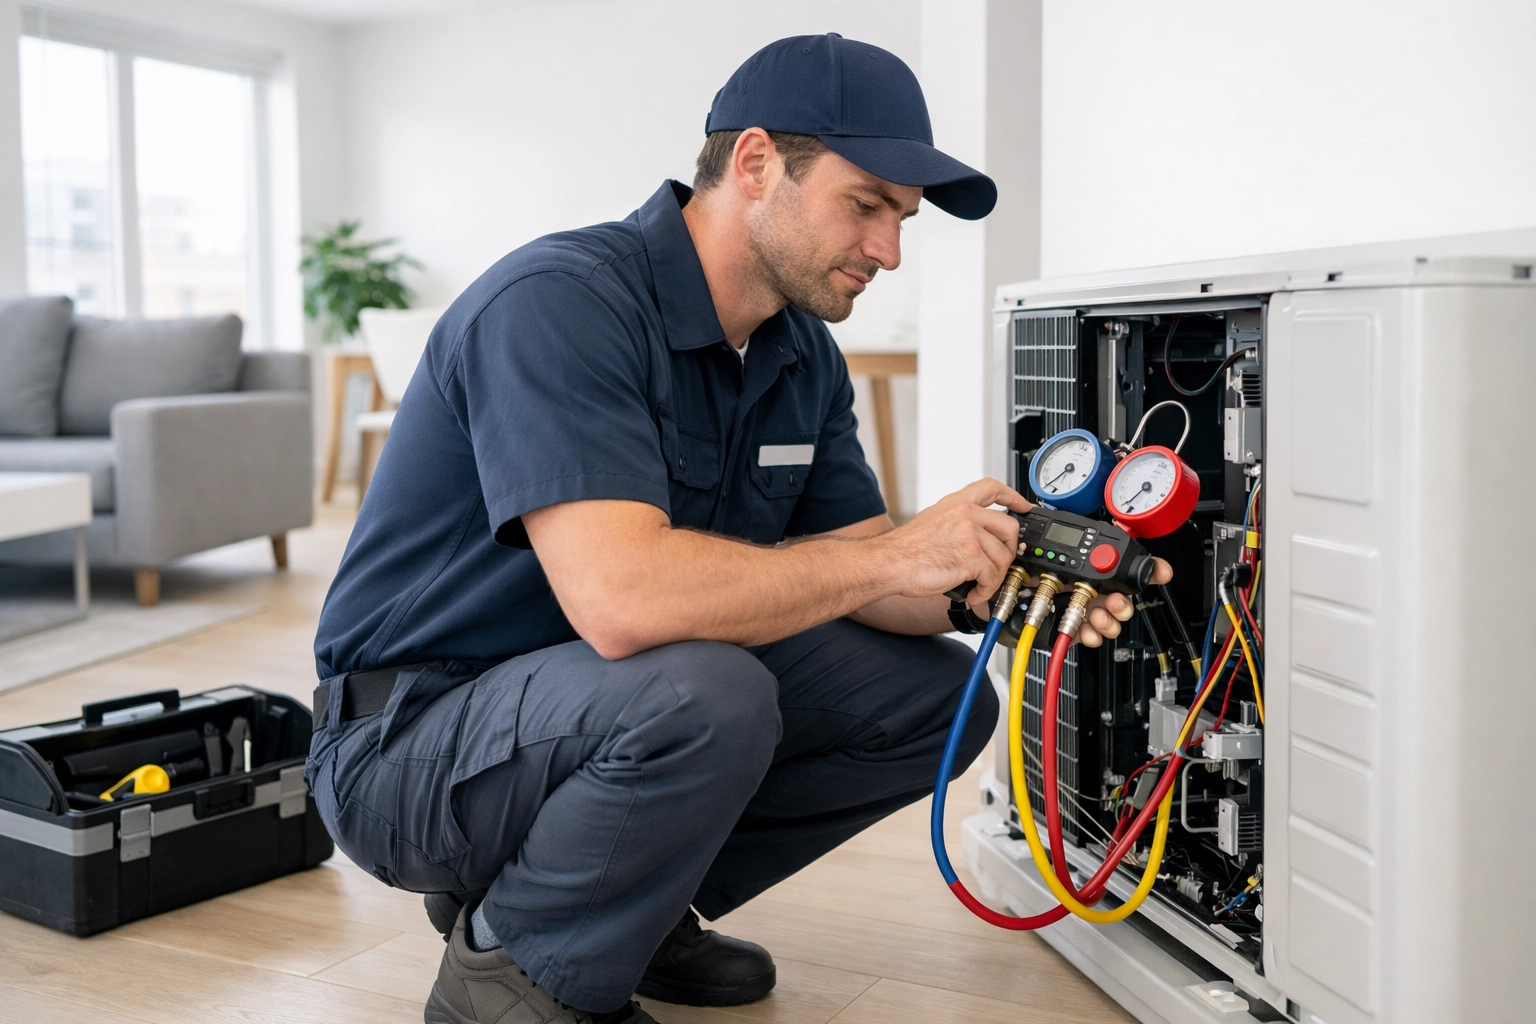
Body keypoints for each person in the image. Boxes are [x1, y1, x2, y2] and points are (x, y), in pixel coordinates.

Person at [307, 33, 1171, 1024]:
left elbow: (863, 571)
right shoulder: (561, 305)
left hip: (591, 708)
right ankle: (512, 981)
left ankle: (616, 906)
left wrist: (986, 580)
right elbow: (626, 603)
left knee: (939, 699)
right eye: (867, 204)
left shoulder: (800, 354)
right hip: (407, 745)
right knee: (704, 688)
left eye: (902, 219)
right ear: (756, 163)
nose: (890, 250)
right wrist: (889, 553)